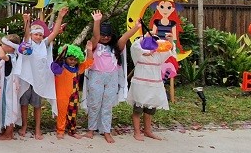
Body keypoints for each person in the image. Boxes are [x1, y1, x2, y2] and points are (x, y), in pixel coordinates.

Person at [85, 12, 138, 143]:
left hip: (112, 78)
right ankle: (91, 129)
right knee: (94, 104)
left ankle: (106, 131)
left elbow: (124, 38)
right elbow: (96, 36)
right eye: (103, 35)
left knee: (107, 106)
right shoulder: (95, 45)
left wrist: (136, 28)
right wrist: (97, 21)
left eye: (108, 36)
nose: (105, 38)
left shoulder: (115, 47)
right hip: (96, 75)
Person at [16, 8, 67, 140]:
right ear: (32, 35)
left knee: (37, 105)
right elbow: (26, 33)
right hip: (27, 79)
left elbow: (55, 32)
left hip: (39, 80)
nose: (38, 37)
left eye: (40, 35)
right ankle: (24, 126)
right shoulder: (28, 43)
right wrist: (26, 22)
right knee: (24, 104)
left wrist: (60, 17)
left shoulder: (44, 44)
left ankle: (38, 129)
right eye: (36, 34)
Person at [127, 31, 175, 141]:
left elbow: (170, 50)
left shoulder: (159, 55)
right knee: (137, 110)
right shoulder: (139, 56)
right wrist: (144, 37)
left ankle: (148, 130)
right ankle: (137, 131)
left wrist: (170, 41)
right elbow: (135, 46)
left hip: (154, 87)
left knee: (150, 110)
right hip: (140, 86)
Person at [53, 44, 92, 139]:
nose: (73, 62)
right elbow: (55, 63)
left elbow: (89, 62)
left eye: (75, 60)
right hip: (62, 94)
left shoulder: (78, 68)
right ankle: (60, 130)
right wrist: (63, 51)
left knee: (73, 113)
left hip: (74, 95)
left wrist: (89, 50)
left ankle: (72, 130)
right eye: (70, 59)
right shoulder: (60, 67)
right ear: (66, 58)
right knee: (62, 113)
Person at [0, 34, 22, 140]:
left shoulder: (10, 57)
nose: (2, 46)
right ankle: (6, 131)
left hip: (9, 89)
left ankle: (8, 133)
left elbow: (2, 56)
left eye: (4, 44)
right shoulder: (12, 57)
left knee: (9, 108)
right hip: (6, 87)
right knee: (6, 108)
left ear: (10, 47)